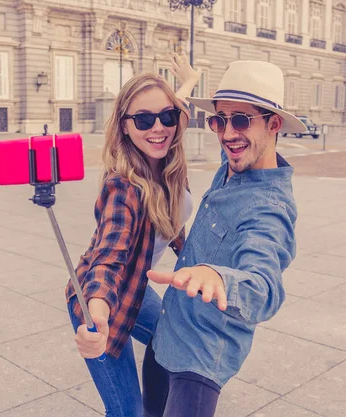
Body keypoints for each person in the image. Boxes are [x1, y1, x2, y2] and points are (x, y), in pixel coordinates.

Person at [142, 61, 305, 417]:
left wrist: (218, 277)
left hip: (197, 365)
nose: (227, 133)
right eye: (219, 120)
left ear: (274, 124)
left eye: (242, 120)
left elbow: (264, 288)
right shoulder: (237, 160)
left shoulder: (269, 209)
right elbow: (171, 126)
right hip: (166, 337)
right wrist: (187, 86)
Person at [65, 53, 200, 417]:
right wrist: (98, 315)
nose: (158, 128)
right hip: (99, 298)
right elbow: (109, 256)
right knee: (127, 411)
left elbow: (178, 110)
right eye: (143, 119)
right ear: (125, 126)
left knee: (169, 337)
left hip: (136, 288)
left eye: (166, 117)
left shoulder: (167, 156)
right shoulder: (122, 188)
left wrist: (188, 82)